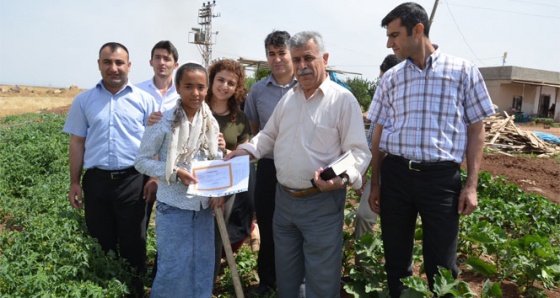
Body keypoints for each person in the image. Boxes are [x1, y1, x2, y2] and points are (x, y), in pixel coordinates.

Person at [225, 31, 371, 298]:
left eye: (308, 58)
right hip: (284, 201)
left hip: (321, 203)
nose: (302, 65)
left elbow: (359, 152)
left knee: (321, 278)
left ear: (324, 59)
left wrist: (342, 179)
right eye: (297, 59)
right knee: (288, 275)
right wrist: (244, 151)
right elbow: (268, 135)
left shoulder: (342, 100)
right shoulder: (289, 98)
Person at [366, 3, 495, 297]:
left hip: (441, 180)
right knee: (396, 257)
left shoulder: (463, 71)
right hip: (396, 175)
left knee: (442, 261)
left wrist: (472, 185)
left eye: (395, 34)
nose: (390, 43)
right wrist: (376, 183)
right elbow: (378, 133)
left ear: (418, 29)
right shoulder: (391, 78)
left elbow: (476, 130)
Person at [63, 42, 156, 297]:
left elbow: (155, 142)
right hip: (96, 181)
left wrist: (153, 178)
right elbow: (77, 142)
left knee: (134, 242)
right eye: (107, 62)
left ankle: (135, 289)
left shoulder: (145, 101)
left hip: (133, 180)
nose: (113, 68)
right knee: (100, 240)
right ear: (99, 65)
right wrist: (75, 182)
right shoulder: (84, 100)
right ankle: (104, 289)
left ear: (129, 66)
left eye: (119, 62)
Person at [134, 63, 224, 297]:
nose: (195, 93)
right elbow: (141, 161)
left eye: (201, 87)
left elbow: (216, 159)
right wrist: (174, 172)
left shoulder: (210, 123)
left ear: (207, 89)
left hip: (203, 208)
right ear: (177, 88)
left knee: (202, 266)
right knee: (173, 267)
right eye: (188, 87)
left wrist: (219, 191)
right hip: (173, 207)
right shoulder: (163, 122)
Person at [243, 29, 297, 295]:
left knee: (299, 225)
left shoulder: (307, 85)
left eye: (281, 53)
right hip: (268, 167)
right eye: (271, 54)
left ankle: (298, 282)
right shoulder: (258, 91)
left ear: (291, 53)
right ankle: (267, 281)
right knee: (267, 222)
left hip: (302, 168)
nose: (276, 59)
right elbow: (255, 129)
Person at [204, 58, 255, 281]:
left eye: (231, 83)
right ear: (211, 80)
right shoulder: (197, 109)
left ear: (237, 88)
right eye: (220, 80)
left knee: (217, 233)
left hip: (224, 185)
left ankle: (209, 279)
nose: (224, 86)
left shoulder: (240, 119)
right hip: (195, 180)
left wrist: (226, 149)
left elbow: (243, 154)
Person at [136, 40, 180, 277]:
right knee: (140, 221)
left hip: (172, 169)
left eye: (167, 58)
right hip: (143, 166)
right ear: (150, 61)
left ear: (175, 64)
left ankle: (162, 271)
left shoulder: (182, 94)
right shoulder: (137, 91)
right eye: (158, 57)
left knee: (168, 221)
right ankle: (139, 270)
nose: (162, 62)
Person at [353, 54, 401, 256]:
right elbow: (371, 139)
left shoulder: (407, 104)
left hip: (399, 169)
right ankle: (364, 272)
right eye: (381, 79)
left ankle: (393, 272)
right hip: (377, 167)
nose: (382, 84)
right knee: (364, 216)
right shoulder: (380, 100)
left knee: (397, 224)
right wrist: (363, 172)